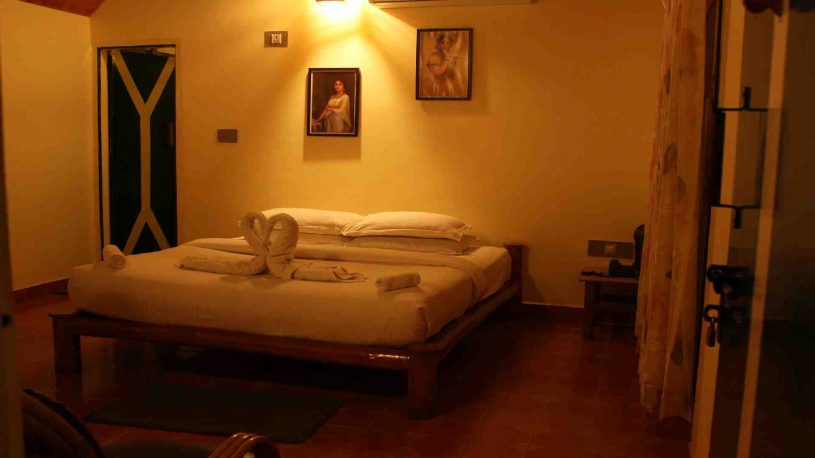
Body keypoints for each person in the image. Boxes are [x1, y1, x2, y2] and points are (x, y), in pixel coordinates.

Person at [424, 32, 465, 97]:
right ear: (439, 44)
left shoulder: (452, 58)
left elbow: (455, 74)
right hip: (437, 88)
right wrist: (446, 58)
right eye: (442, 43)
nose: (445, 45)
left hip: (450, 88)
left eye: (448, 43)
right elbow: (439, 72)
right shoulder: (434, 57)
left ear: (450, 44)